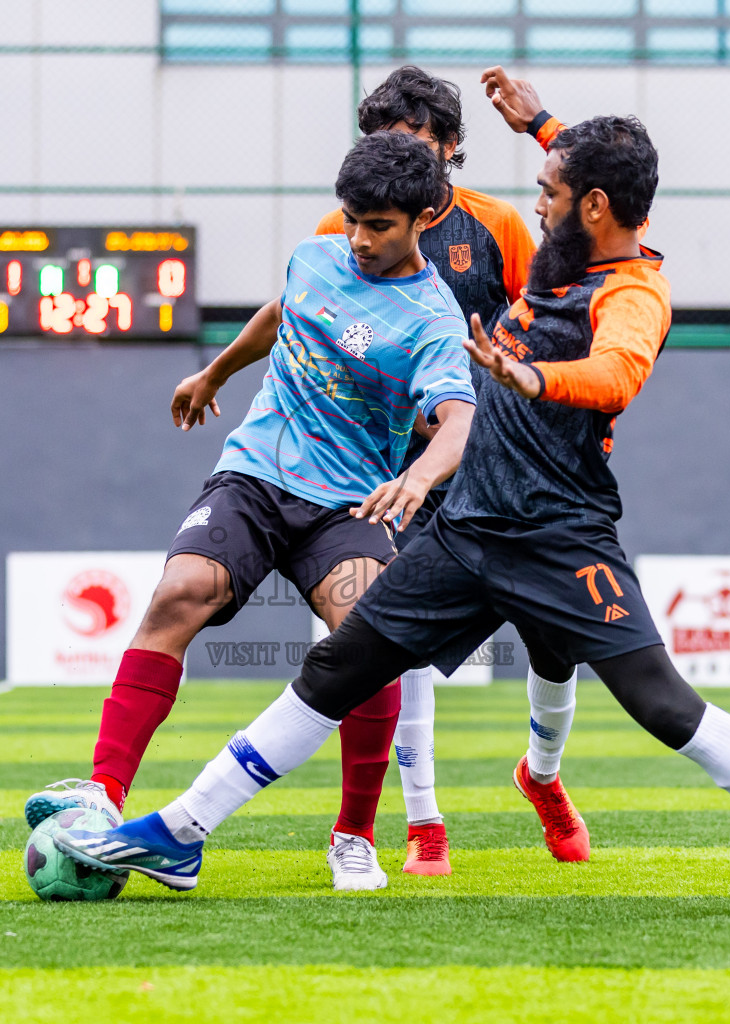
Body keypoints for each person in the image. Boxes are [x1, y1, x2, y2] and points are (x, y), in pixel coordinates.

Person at [56, 114, 730, 925]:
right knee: (337, 666)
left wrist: (532, 378)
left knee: (663, 705)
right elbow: (586, 178)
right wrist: (540, 124)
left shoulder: (633, 295)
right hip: (465, 530)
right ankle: (177, 832)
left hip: (558, 537)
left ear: (592, 207)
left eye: (550, 192)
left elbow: (617, 375)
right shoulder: (569, 252)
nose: (537, 201)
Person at [24, 130, 477, 892]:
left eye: (380, 226)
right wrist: (213, 370)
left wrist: (422, 474)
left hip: (347, 503)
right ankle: (104, 799)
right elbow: (281, 313)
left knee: (369, 639)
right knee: (177, 595)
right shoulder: (317, 254)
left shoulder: (433, 319)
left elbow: (458, 418)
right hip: (254, 475)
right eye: (352, 220)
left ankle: (354, 836)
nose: (360, 240)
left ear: (425, 218)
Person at [174, 64, 585, 877]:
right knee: (390, 627)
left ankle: (541, 775)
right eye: (384, 142)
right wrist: (217, 371)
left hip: (501, 456)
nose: (401, 156)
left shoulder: (499, 225)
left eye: (418, 143)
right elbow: (292, 307)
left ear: (451, 153)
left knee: (554, 634)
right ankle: (421, 821)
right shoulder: (344, 225)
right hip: (386, 467)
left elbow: (560, 300)